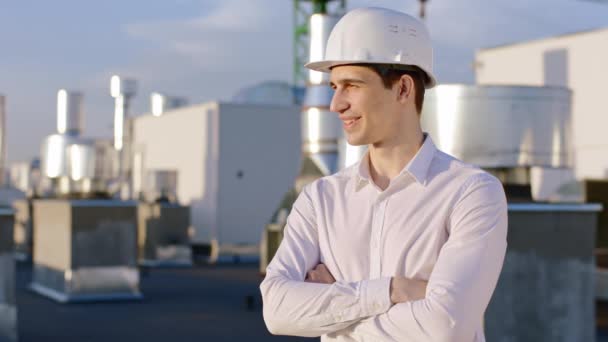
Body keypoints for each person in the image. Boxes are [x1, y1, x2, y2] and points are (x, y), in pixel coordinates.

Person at [260, 7, 507, 342]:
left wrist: (334, 307)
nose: (335, 104)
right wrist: (392, 290)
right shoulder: (321, 199)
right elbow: (276, 311)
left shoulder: (471, 193)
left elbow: (445, 327)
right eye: (334, 86)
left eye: (351, 85)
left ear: (403, 89)